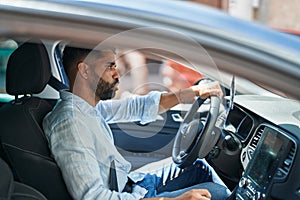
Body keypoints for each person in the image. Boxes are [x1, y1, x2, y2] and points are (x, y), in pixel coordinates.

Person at [43, 45, 230, 200]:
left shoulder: (87, 108)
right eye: (110, 66)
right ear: (84, 70)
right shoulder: (71, 124)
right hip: (129, 195)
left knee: (199, 166)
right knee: (219, 194)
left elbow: (138, 107)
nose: (117, 74)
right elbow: (94, 197)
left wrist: (195, 92)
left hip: (134, 185)